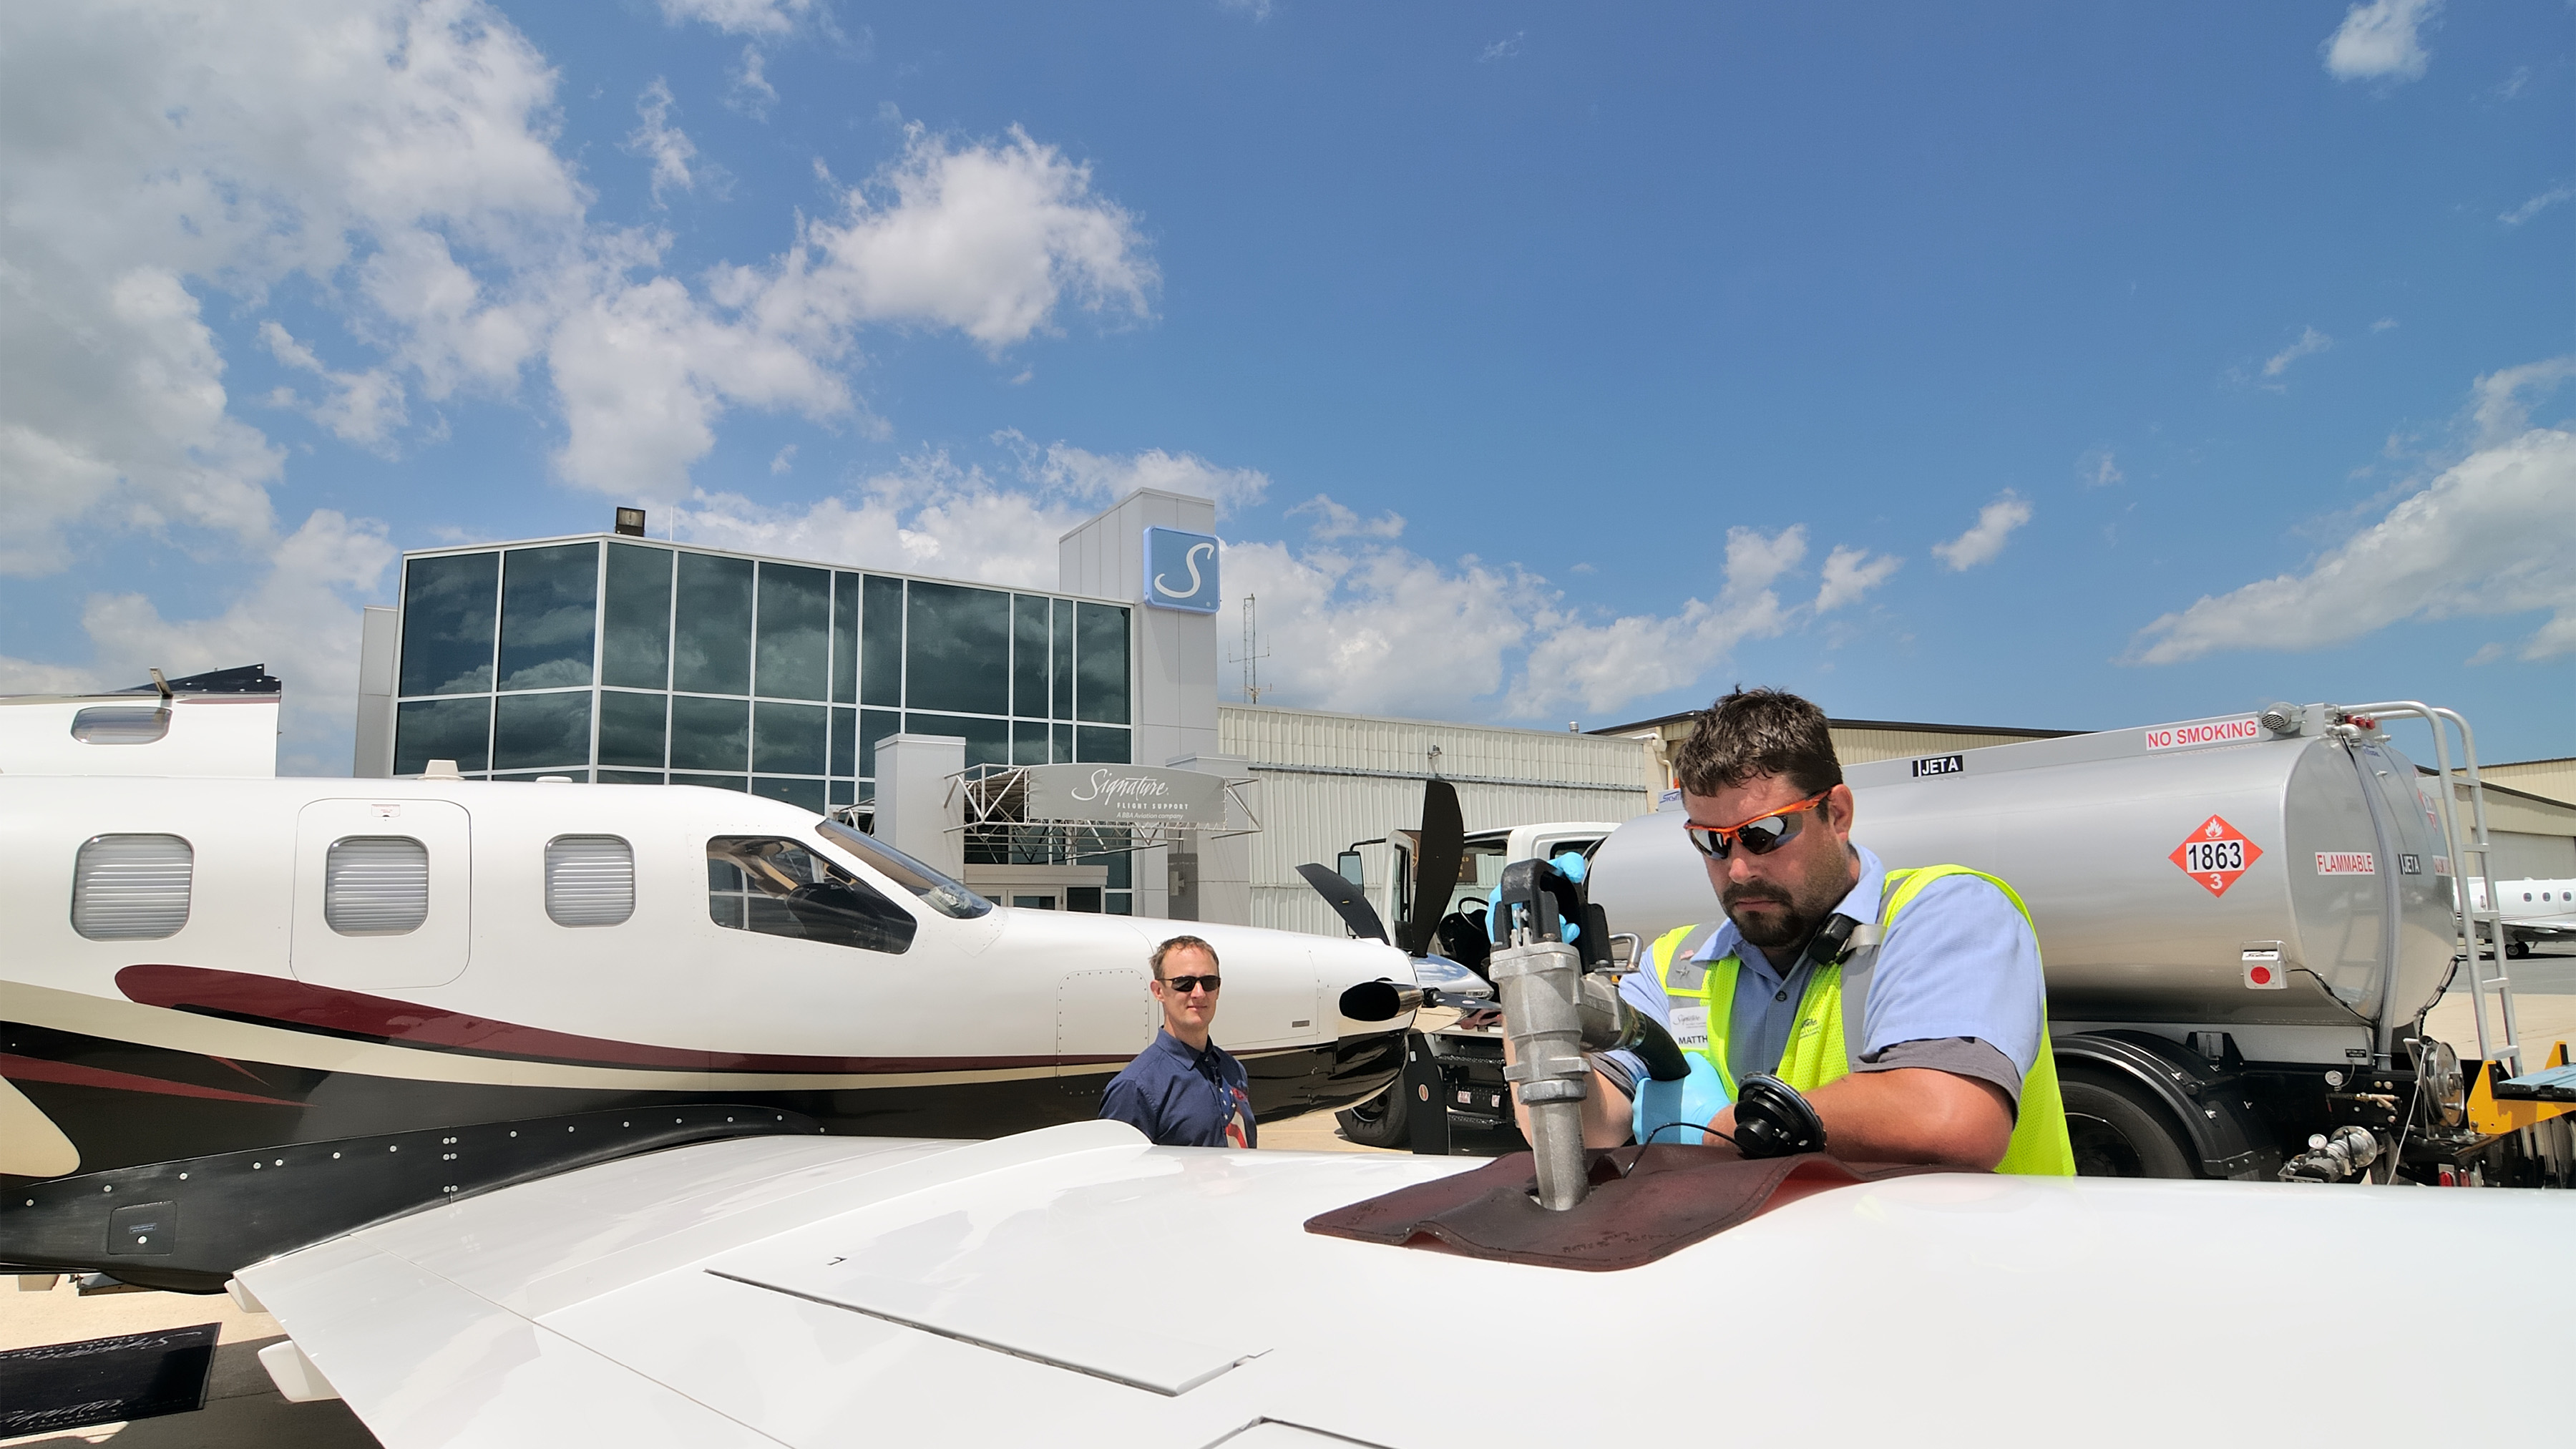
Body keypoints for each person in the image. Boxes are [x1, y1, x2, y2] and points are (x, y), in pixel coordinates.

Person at [1535, 687, 2072, 1174]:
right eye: (1712, 842)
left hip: (1983, 1272)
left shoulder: (1946, 911)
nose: (1739, 869)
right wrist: (1532, 984)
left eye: (1764, 833)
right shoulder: (1677, 962)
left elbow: (1953, 1118)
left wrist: (1721, 1129)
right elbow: (1586, 1127)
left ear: (1837, 814)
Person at [1097, 935, 1258, 1148]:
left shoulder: (1233, 1071)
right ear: (1159, 991)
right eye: (1184, 983)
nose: (1199, 993)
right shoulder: (1135, 1088)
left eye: (1209, 982)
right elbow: (1114, 1173)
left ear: (1218, 989)